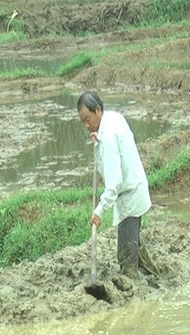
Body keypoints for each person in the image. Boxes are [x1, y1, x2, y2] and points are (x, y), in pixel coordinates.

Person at [77, 90, 152, 283]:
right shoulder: (113, 119)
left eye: (88, 119)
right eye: (83, 122)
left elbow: (114, 183)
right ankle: (154, 277)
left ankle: (133, 295)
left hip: (129, 196)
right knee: (133, 242)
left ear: (98, 110)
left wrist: (99, 211)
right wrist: (98, 142)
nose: (86, 126)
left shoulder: (108, 137)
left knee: (126, 257)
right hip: (136, 188)